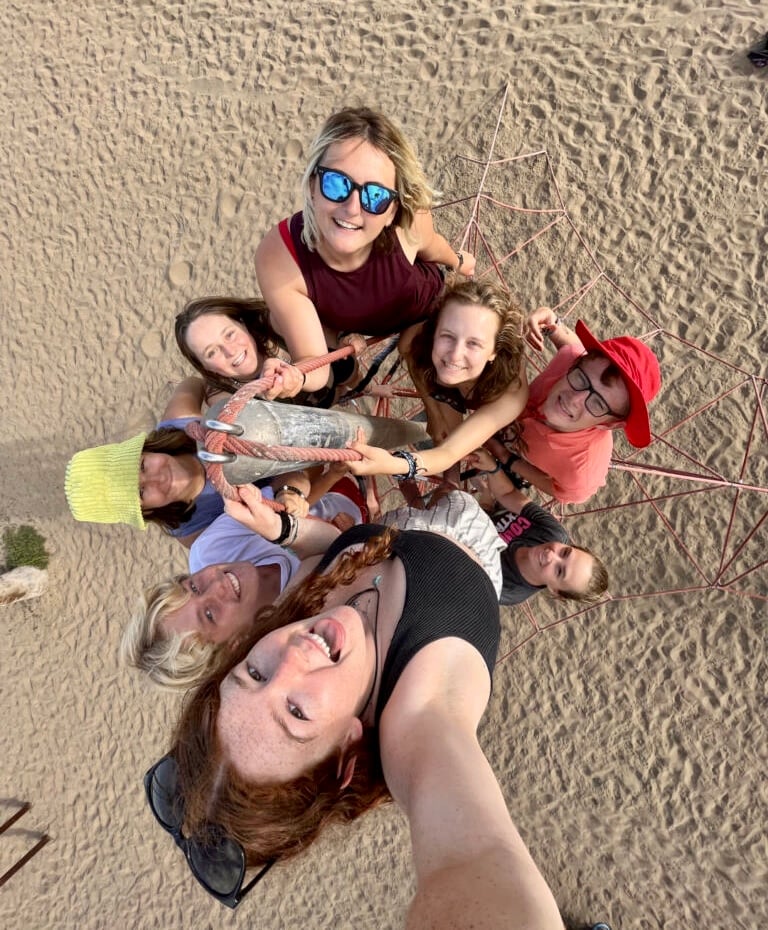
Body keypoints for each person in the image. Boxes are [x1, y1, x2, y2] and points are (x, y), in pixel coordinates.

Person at [164, 510, 564, 929]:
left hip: (409, 506)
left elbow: (324, 553)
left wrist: (288, 529)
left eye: (254, 674)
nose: (292, 657)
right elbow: (477, 861)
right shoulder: (420, 711)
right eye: (296, 712)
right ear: (343, 755)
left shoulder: (287, 620)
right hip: (487, 528)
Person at [124, 486, 503, 692]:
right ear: (231, 648)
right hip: (450, 575)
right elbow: (332, 549)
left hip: (387, 531)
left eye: (192, 586)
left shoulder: (210, 549)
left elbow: (331, 544)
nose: (215, 584)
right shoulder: (295, 627)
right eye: (209, 614)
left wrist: (285, 520)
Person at [254, 106, 476, 403]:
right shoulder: (280, 255)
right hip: (351, 330)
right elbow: (314, 362)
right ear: (312, 186)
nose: (352, 208)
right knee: (280, 322)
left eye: (376, 196)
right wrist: (295, 375)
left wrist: (459, 262)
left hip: (422, 309)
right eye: (337, 184)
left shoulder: (408, 219)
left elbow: (433, 247)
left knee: (439, 395)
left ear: (392, 211)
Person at [349, 312, 661, 505]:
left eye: (598, 404)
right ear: (578, 365)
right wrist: (551, 324)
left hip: (508, 460)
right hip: (490, 422)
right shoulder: (568, 361)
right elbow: (570, 344)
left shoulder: (582, 467)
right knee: (433, 432)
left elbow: (563, 491)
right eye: (580, 378)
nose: (574, 398)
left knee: (460, 494)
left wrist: (505, 459)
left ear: (611, 424)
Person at [64, 378, 329, 547]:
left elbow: (192, 383)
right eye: (141, 491)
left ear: (147, 449)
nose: (156, 478)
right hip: (299, 478)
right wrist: (292, 493)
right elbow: (289, 501)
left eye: (143, 466)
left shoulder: (180, 423)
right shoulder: (197, 532)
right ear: (146, 511)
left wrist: (219, 400)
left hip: (277, 430)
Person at [346, 277, 529, 482]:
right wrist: (432, 409)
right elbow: (411, 358)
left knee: (462, 443)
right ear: (435, 330)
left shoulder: (509, 393)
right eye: (448, 336)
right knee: (442, 434)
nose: (455, 354)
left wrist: (391, 464)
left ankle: (452, 484)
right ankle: (451, 483)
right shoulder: (417, 339)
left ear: (494, 351)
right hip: (449, 384)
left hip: (486, 389)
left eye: (474, 344)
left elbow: (451, 452)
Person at [468, 449, 608, 606]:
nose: (551, 556)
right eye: (565, 552)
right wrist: (491, 467)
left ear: (555, 590)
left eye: (559, 571)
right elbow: (508, 494)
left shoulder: (505, 589)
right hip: (493, 512)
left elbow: (453, 553)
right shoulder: (552, 533)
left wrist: (482, 502)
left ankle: (484, 492)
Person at [174, 296, 303, 404]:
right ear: (205, 367)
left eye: (229, 334)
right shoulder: (223, 398)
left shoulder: (277, 325)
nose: (230, 351)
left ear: (242, 323)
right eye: (212, 352)